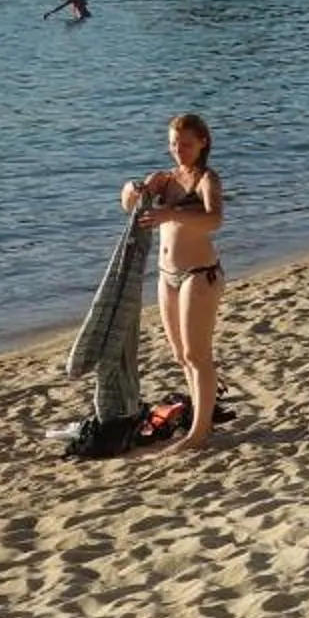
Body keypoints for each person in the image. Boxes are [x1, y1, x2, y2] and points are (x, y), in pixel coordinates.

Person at [123, 113, 224, 453]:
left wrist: (172, 214)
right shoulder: (164, 180)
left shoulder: (205, 179)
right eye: (173, 145)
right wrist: (132, 188)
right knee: (181, 355)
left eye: (186, 145)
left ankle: (199, 432)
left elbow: (214, 220)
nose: (179, 151)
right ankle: (200, 417)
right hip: (167, 275)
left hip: (199, 273)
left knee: (198, 354)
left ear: (202, 144)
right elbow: (130, 206)